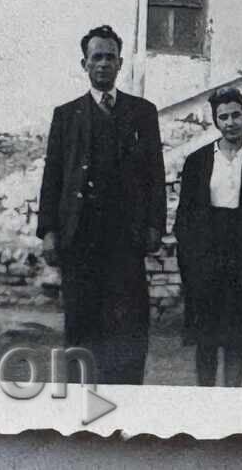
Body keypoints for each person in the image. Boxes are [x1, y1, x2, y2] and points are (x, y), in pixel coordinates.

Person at [37, 25, 166, 385]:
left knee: (128, 324)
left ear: (120, 62)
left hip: (125, 241)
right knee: (82, 324)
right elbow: (53, 176)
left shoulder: (142, 112)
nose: (104, 64)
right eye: (97, 57)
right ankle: (82, 408)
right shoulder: (67, 116)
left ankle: (126, 405)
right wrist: (48, 230)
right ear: (85, 64)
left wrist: (155, 224)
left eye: (111, 57)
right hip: (80, 239)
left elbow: (155, 173)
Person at [173, 88, 242, 388]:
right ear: (216, 122)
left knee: (236, 340)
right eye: (224, 117)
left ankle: (230, 399)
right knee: (206, 340)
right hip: (206, 258)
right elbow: (185, 217)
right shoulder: (198, 161)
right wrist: (191, 262)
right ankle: (206, 401)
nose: (231, 122)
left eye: (236, 115)